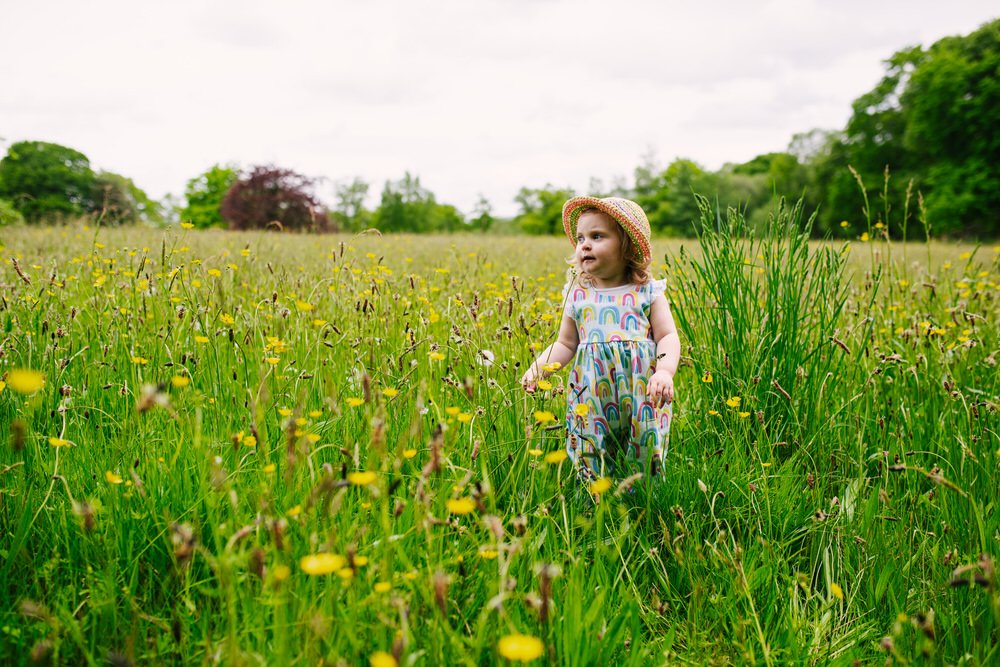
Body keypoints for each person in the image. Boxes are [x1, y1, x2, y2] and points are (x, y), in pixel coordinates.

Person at [521, 196, 680, 481]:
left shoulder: (647, 292)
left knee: (645, 440)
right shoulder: (577, 294)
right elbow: (565, 343)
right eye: (581, 237)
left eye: (597, 236)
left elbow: (667, 335)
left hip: (642, 392)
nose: (584, 244)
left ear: (627, 245)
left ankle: (643, 494)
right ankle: (594, 493)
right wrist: (538, 368)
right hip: (591, 394)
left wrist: (666, 371)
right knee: (588, 440)